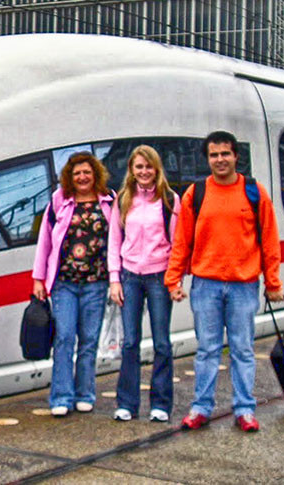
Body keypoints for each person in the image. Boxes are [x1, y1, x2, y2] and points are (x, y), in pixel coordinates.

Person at [164, 130, 283, 433]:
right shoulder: (196, 193)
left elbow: (269, 239)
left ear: (236, 156)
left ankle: (244, 409)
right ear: (208, 159)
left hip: (244, 286)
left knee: (243, 349)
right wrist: (173, 278)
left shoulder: (255, 192)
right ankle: (200, 408)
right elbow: (182, 240)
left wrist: (273, 283)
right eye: (214, 155)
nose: (220, 160)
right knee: (206, 349)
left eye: (225, 154)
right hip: (206, 285)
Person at [31, 151, 115, 417]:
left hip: (96, 283)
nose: (82, 177)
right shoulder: (59, 202)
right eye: (77, 172)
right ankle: (61, 396)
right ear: (70, 176)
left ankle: (85, 394)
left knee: (89, 341)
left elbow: (116, 241)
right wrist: (38, 278)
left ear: (95, 174)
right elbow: (44, 242)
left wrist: (116, 278)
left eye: (87, 172)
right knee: (65, 338)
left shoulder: (109, 201)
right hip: (64, 284)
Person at [108, 145, 180, 423]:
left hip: (159, 277)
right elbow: (114, 242)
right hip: (130, 277)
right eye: (139, 167)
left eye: (148, 166)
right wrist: (115, 280)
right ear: (132, 170)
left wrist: (174, 280)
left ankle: (161, 404)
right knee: (130, 342)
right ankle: (127, 403)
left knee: (162, 342)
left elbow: (177, 244)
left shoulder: (170, 199)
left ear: (157, 168)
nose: (144, 172)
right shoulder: (124, 199)